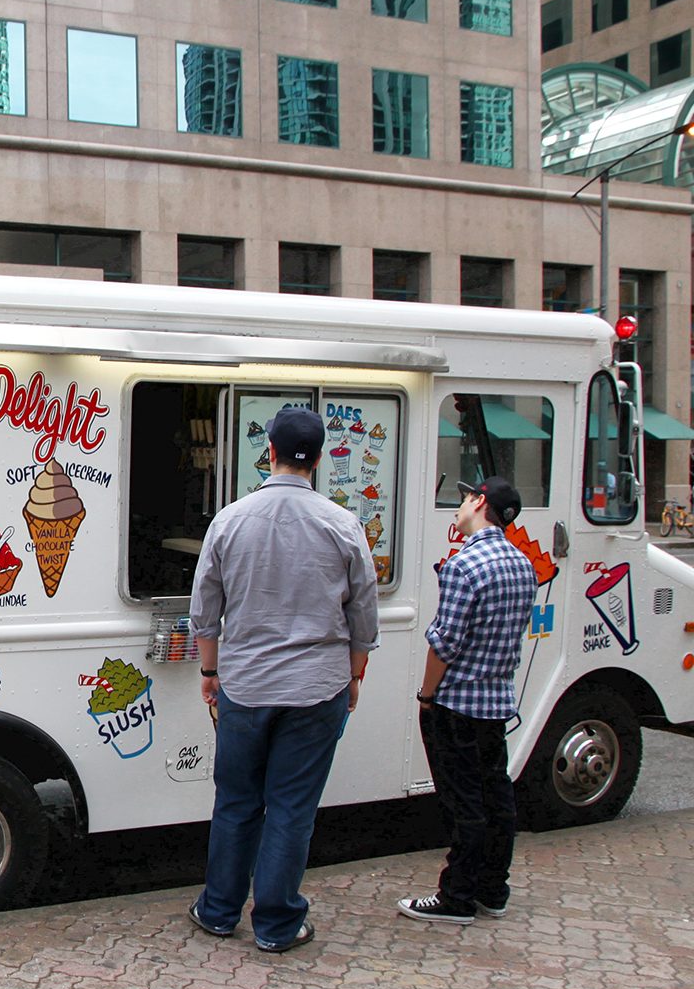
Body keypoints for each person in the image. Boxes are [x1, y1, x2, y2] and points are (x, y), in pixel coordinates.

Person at [188, 407, 379, 953]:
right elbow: (363, 613)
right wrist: (355, 675)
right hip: (318, 688)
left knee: (236, 803)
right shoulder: (342, 524)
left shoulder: (230, 519)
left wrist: (210, 672)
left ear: (268, 450)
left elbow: (206, 609)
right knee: (292, 808)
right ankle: (276, 924)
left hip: (244, 685)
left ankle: (219, 910)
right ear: (318, 458)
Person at [398, 476, 537, 925]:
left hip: (456, 703)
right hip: (496, 702)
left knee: (463, 804)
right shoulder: (521, 564)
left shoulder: (464, 564)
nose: (457, 508)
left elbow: (445, 642)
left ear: (480, 503)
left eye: (463, 499)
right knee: (497, 798)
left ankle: (456, 895)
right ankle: (493, 889)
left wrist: (426, 694)